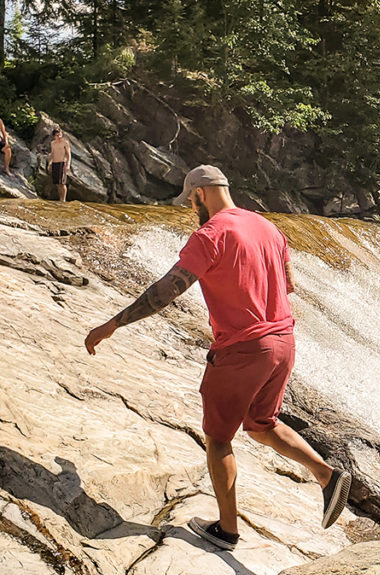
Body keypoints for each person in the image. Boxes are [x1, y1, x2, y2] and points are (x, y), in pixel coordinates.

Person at [85, 164, 351, 550]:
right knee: (261, 424)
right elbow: (289, 284)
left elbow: (165, 291)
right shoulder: (268, 227)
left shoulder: (209, 235)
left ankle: (227, 530)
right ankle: (327, 475)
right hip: (283, 341)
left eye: (190, 201)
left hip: (243, 349)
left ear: (200, 194)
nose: (192, 208)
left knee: (218, 439)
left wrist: (113, 324)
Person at [49, 128, 72, 202]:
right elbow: (52, 153)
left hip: (62, 163)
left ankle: (64, 199)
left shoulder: (65, 142)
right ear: (54, 136)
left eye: (60, 135)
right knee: (57, 183)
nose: (59, 137)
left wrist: (68, 164)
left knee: (62, 183)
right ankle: (60, 198)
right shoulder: (53, 143)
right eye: (57, 135)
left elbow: (68, 154)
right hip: (55, 163)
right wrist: (50, 162)